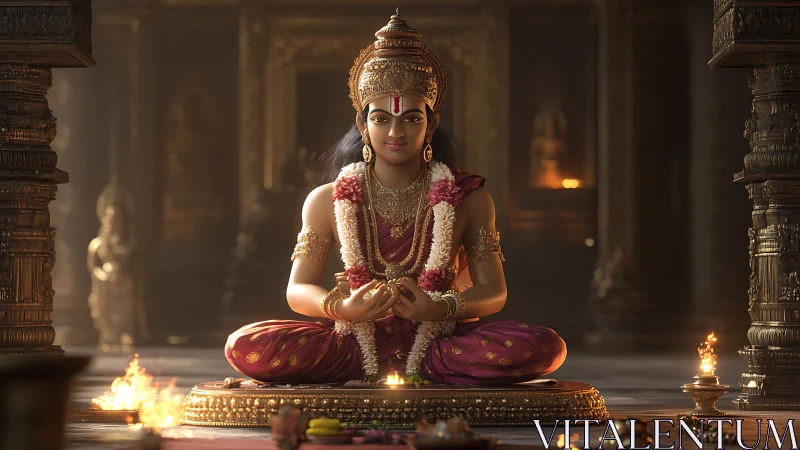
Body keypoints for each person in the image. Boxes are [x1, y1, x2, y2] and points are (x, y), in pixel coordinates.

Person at [225, 10, 566, 385]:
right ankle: (384, 367)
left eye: (412, 119)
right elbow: (297, 288)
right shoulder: (326, 200)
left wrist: (439, 307)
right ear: (363, 124)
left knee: (543, 346)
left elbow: (494, 291)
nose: (396, 131)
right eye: (381, 118)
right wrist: (342, 307)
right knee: (245, 344)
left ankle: (424, 364)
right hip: (353, 344)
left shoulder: (468, 198)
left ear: (431, 123)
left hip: (439, 342)